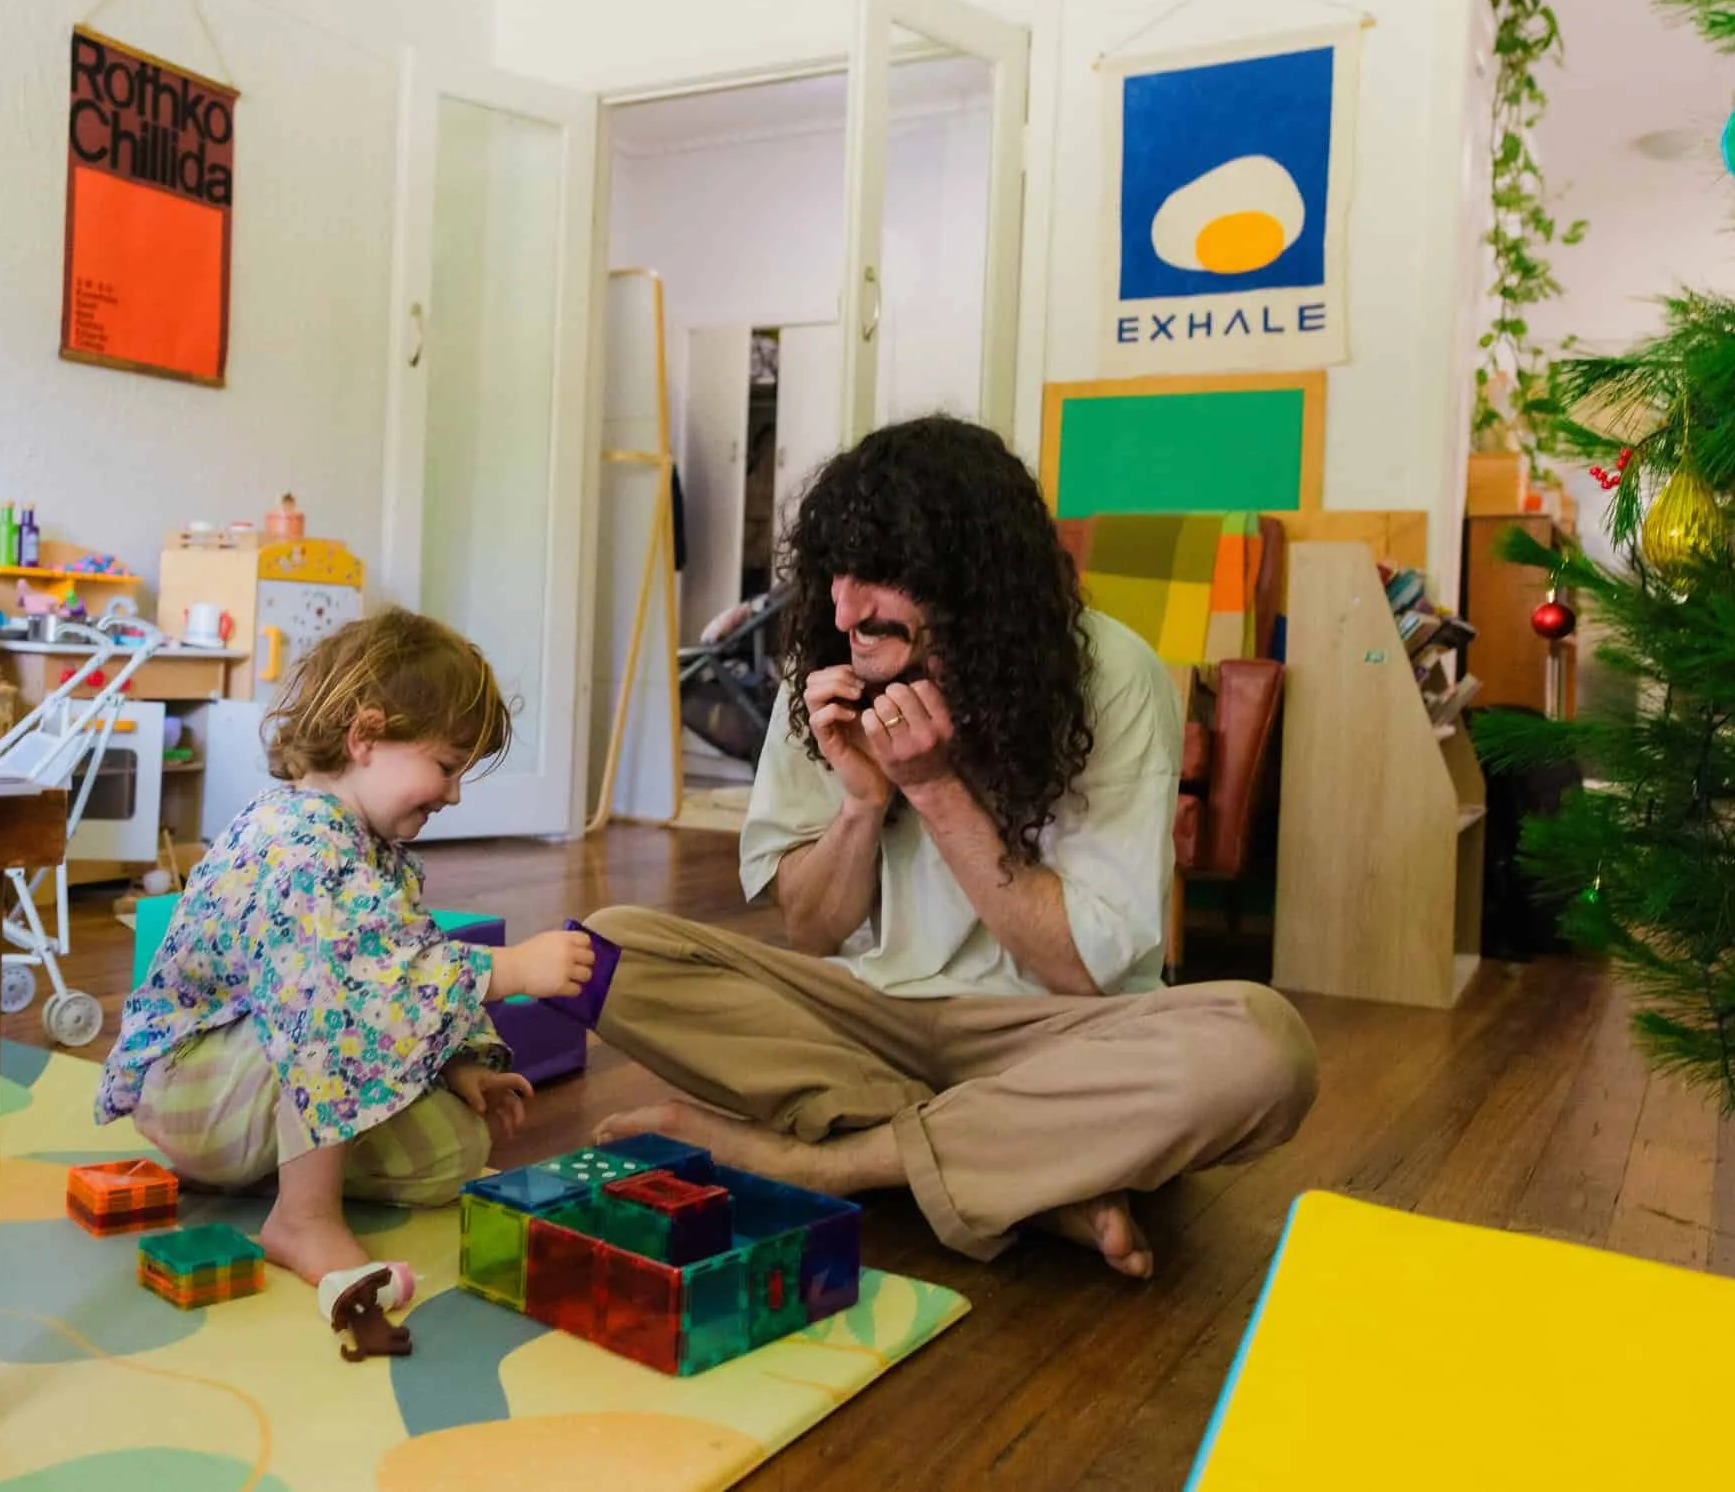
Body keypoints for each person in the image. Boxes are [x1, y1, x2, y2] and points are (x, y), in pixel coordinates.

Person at [587, 416, 1318, 1278]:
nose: (845, 608)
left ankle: (828, 1163)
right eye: (837, 573)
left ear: (974, 581)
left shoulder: (1113, 676)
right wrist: (863, 804)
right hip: (867, 1020)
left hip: (1050, 1034)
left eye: (882, 577)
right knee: (600, 950)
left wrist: (935, 787)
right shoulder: (824, 674)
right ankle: (1020, 1166)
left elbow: (1081, 972)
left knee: (1266, 1048)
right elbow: (815, 932)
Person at [96, 608, 596, 1284]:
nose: (452, 794)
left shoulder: (368, 847)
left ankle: (284, 1169)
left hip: (266, 1085)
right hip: (195, 1087)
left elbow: (408, 945)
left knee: (457, 1147)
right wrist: (509, 968)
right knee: (335, 997)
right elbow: (353, 981)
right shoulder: (295, 841)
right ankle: (303, 1217)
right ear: (365, 736)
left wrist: (455, 1062)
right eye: (446, 766)